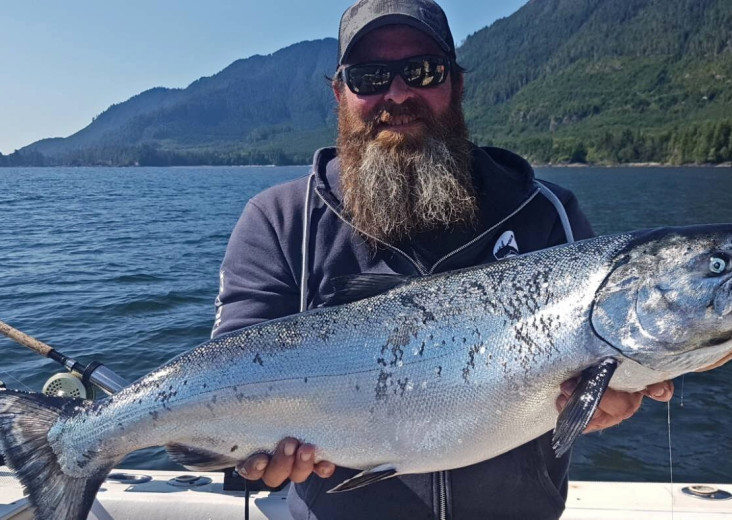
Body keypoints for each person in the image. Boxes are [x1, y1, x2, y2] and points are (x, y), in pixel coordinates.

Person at [212, 0, 674, 518]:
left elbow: (600, 372)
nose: (398, 94)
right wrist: (249, 459)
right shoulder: (279, 221)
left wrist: (607, 404)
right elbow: (225, 385)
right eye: (369, 77)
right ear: (340, 94)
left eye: (422, 71)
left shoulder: (547, 213)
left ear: (456, 84)